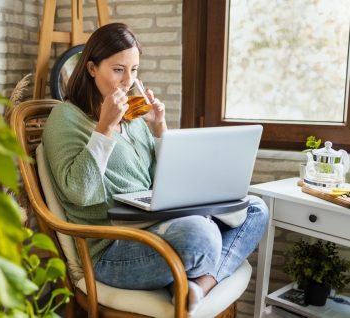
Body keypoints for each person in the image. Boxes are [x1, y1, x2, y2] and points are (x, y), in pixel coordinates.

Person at [42, 22, 269, 314]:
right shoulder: (65, 118)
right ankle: (199, 269)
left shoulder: (134, 120)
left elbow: (163, 179)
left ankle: (199, 284)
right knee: (201, 235)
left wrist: (159, 128)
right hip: (113, 247)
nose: (127, 81)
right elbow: (79, 193)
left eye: (134, 70)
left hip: (157, 223)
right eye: (118, 69)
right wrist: (105, 127)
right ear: (91, 69)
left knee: (255, 209)